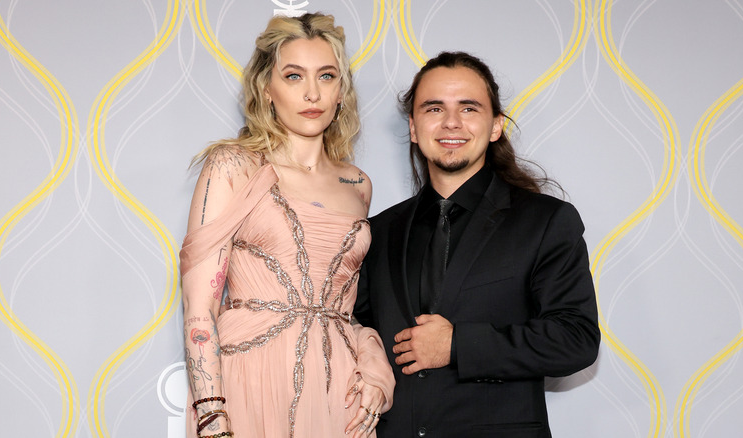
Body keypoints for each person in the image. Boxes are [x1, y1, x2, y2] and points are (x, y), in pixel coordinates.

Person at [354, 51, 600, 437]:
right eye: (434, 108)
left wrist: (457, 346)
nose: (451, 122)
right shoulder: (378, 230)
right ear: (414, 127)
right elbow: (353, 332)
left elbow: (575, 341)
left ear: (495, 126)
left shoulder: (546, 220)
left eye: (468, 108)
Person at [180, 13, 394, 438]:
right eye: (294, 76)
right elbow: (198, 309)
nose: (312, 92)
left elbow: (344, 308)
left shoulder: (358, 185)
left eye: (327, 76)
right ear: (267, 89)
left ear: (341, 92)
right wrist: (211, 417)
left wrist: (371, 359)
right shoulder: (233, 166)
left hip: (339, 389)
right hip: (251, 378)